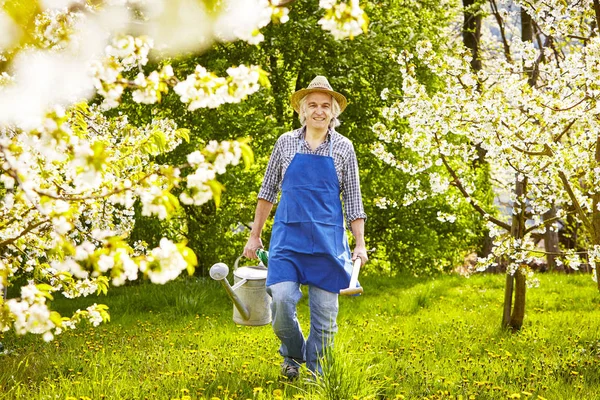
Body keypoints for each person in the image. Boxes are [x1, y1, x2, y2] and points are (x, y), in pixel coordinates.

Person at [243, 75, 367, 379]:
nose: (319, 111)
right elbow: (267, 191)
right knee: (282, 303)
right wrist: (255, 235)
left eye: (326, 105)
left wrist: (360, 243)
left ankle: (315, 372)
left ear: (334, 112)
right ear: (303, 110)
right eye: (313, 104)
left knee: (325, 319)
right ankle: (294, 354)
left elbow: (353, 199)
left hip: (328, 244)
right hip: (288, 242)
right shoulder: (285, 143)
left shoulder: (344, 148)